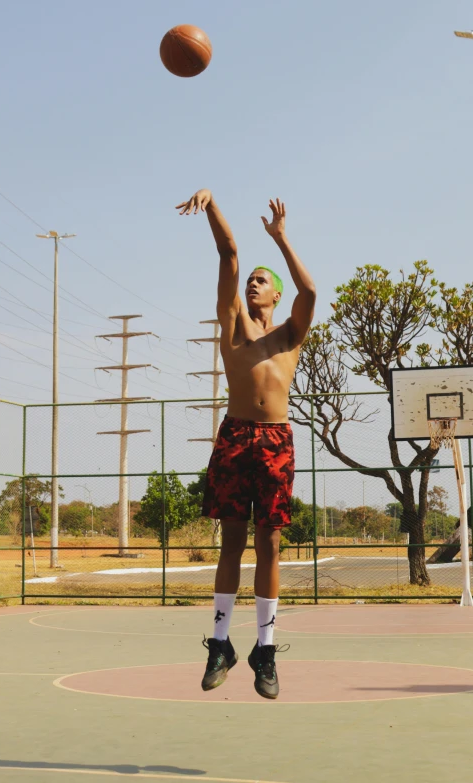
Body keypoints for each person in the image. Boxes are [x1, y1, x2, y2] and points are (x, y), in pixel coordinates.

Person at [176, 189, 316, 699]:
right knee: (232, 541)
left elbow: (310, 290)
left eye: (262, 281)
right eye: (251, 281)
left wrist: (281, 239)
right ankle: (219, 643)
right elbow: (229, 253)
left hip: (276, 440)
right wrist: (212, 205)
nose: (253, 284)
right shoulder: (232, 327)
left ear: (274, 295)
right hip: (236, 436)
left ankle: (265, 649)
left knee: (271, 544)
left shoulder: (289, 334)